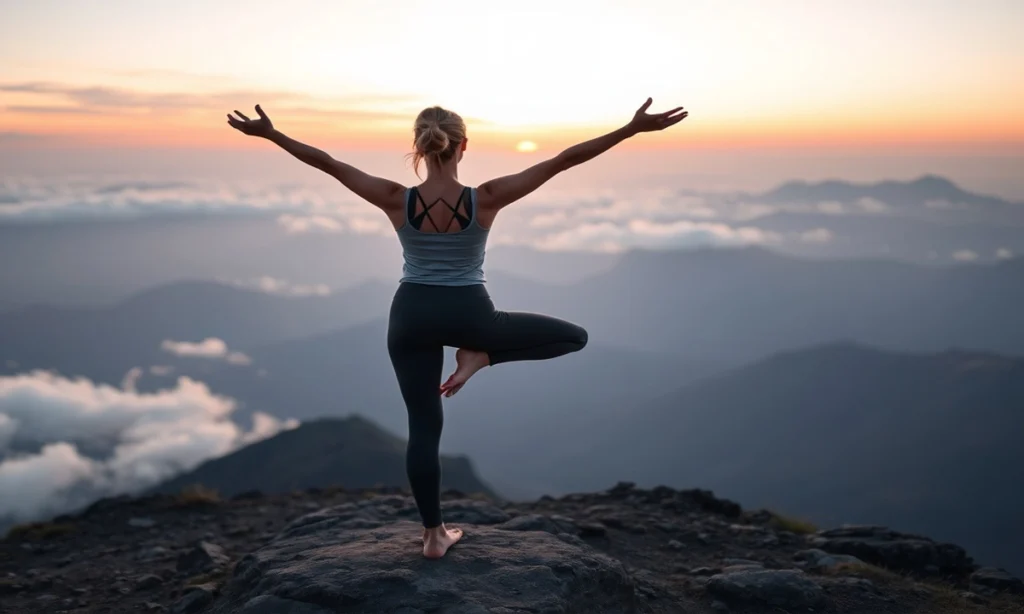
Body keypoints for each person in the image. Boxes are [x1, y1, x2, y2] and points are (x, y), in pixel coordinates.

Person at [226, 99, 688, 558]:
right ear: (463, 145)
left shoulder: (394, 198)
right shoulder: (485, 197)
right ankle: (482, 355)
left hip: (409, 316)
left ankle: (433, 535)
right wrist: (630, 129)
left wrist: (271, 135)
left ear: (419, 147)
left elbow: (327, 163)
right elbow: (565, 159)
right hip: (471, 315)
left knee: (423, 427)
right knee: (574, 337)